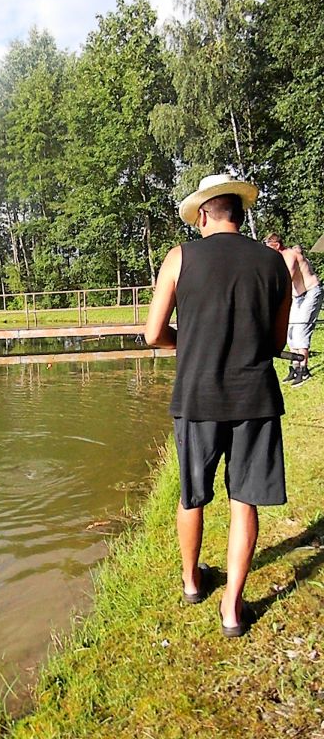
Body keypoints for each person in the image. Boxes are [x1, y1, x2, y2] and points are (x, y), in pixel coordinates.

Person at [145, 173, 292, 638]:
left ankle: (192, 582)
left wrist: (187, 342)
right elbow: (276, 341)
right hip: (255, 398)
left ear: (205, 214)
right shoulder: (274, 262)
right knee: (243, 501)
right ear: (239, 213)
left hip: (197, 397)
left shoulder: (179, 257)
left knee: (192, 495)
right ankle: (231, 609)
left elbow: (152, 334)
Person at [263, 234, 322, 385]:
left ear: (276, 245)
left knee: (301, 330)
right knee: (290, 330)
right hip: (298, 296)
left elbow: (286, 278)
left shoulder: (290, 255)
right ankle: (295, 367)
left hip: (310, 293)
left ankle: (303, 370)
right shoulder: (279, 258)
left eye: (268, 246)